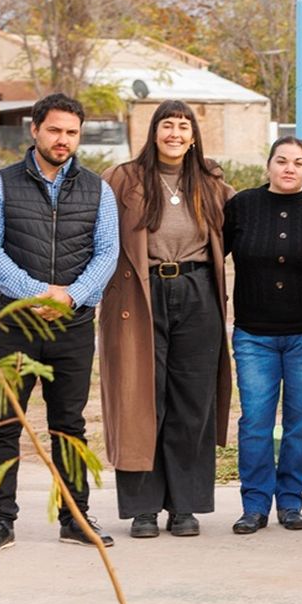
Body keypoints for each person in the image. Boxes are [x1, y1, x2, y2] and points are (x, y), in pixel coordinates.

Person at [0, 92, 119, 554]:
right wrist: (37, 293)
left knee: (68, 426)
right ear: (34, 130)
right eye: (54, 130)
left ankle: (75, 518)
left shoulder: (98, 189)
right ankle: (0, 521)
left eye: (72, 132)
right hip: (13, 324)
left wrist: (70, 297)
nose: (63, 140)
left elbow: (107, 252)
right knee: (4, 423)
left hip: (72, 327)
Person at [99, 100, 234, 538]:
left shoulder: (210, 183)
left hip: (198, 292)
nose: (175, 133)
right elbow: (95, 230)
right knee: (141, 398)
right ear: (153, 131)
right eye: (167, 125)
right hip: (141, 294)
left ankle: (184, 506)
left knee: (191, 400)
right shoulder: (124, 179)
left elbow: (249, 222)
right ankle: (143, 508)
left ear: (193, 136)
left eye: (183, 126)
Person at [223, 137, 302, 535]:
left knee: (301, 421)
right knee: (255, 421)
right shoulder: (242, 206)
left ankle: (291, 502)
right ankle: (254, 504)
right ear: (269, 166)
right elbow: (210, 251)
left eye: (298, 162)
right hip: (254, 334)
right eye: (281, 161)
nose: (289, 168)